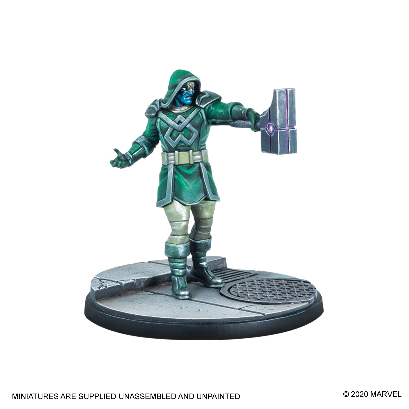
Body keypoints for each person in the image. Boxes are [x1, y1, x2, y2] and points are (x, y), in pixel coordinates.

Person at [111, 69, 260, 300]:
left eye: (192, 87)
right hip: (173, 178)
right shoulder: (158, 113)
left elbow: (226, 111)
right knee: (179, 228)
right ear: (174, 90)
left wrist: (246, 113)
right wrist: (129, 157)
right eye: (184, 88)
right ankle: (178, 276)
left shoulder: (203, 108)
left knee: (204, 225)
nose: (190, 92)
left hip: (200, 176)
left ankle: (200, 268)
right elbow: (148, 139)